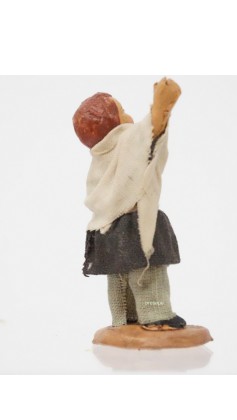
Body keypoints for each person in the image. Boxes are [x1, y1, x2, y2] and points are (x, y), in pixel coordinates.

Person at [73, 77, 186, 330]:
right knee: (147, 271)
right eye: (122, 110)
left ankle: (124, 317)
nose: (128, 115)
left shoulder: (99, 157)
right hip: (135, 223)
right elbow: (146, 136)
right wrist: (161, 108)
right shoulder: (124, 140)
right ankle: (155, 314)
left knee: (119, 276)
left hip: (106, 227)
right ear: (112, 124)